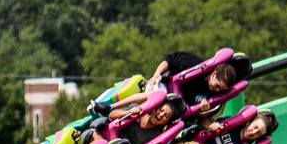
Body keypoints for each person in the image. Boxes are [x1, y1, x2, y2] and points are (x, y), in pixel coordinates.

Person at [91, 55, 236, 115]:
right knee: (155, 96)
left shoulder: (214, 98)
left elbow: (200, 118)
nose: (215, 90)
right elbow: (170, 60)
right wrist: (156, 74)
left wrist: (203, 111)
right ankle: (110, 108)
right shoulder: (196, 64)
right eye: (216, 85)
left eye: (219, 89)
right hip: (165, 88)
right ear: (214, 73)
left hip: (176, 110)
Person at [77, 97, 184, 144]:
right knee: (99, 143)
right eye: (161, 110)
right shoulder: (138, 109)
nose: (161, 115)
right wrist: (129, 113)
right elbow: (112, 114)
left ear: (167, 121)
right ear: (156, 108)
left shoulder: (157, 136)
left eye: (166, 116)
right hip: (105, 137)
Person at [201, 111, 278, 144]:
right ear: (248, 123)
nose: (253, 132)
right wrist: (211, 126)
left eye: (258, 133)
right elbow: (202, 122)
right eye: (255, 127)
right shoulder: (233, 123)